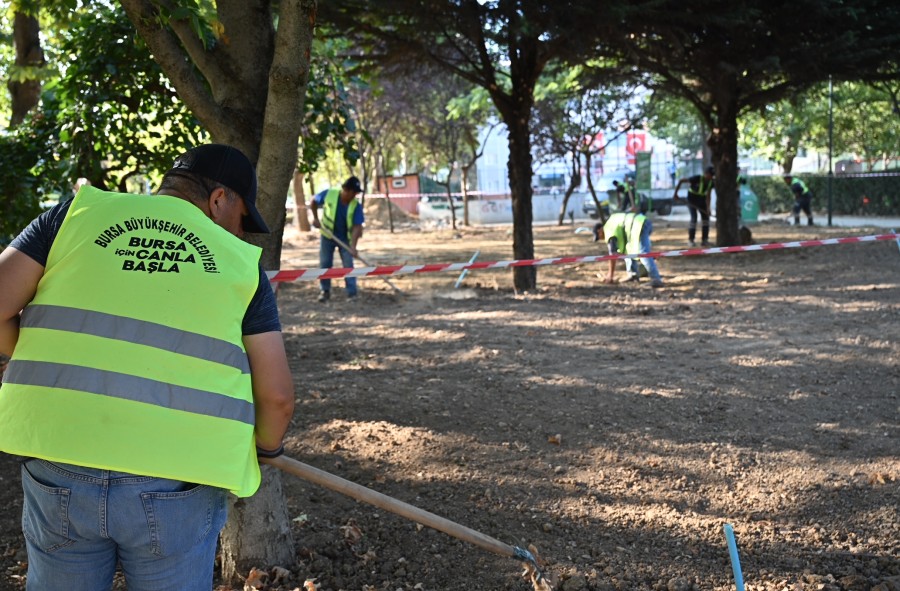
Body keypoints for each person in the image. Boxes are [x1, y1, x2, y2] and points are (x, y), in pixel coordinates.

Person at [0, 143, 296, 591]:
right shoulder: (238, 264)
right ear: (219, 199)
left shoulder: (73, 218)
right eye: (242, 220)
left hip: (60, 461)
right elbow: (277, 397)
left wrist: (39, 353)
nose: (241, 234)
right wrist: (267, 447)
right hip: (176, 479)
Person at [309, 176, 365, 302]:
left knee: (348, 264)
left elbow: (357, 226)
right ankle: (325, 291)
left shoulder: (355, 205)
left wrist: (353, 247)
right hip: (327, 235)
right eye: (353, 192)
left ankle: (352, 293)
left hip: (345, 239)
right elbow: (313, 201)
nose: (355, 195)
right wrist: (315, 218)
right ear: (346, 190)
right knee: (325, 264)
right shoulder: (330, 194)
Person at [593, 211, 663, 288]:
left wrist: (610, 275)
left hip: (639, 225)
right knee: (629, 251)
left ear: (600, 230)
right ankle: (633, 275)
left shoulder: (609, 231)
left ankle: (656, 279)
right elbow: (626, 251)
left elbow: (612, 256)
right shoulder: (612, 223)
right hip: (640, 223)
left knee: (643, 253)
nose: (601, 239)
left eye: (599, 236)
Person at [673, 165, 715, 247]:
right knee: (694, 218)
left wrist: (708, 208)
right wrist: (675, 194)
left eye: (712, 176)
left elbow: (708, 196)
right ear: (706, 173)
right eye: (710, 175)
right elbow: (681, 181)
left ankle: (705, 240)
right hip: (692, 200)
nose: (711, 177)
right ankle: (691, 240)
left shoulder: (711, 182)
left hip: (702, 201)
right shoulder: (697, 178)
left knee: (706, 219)